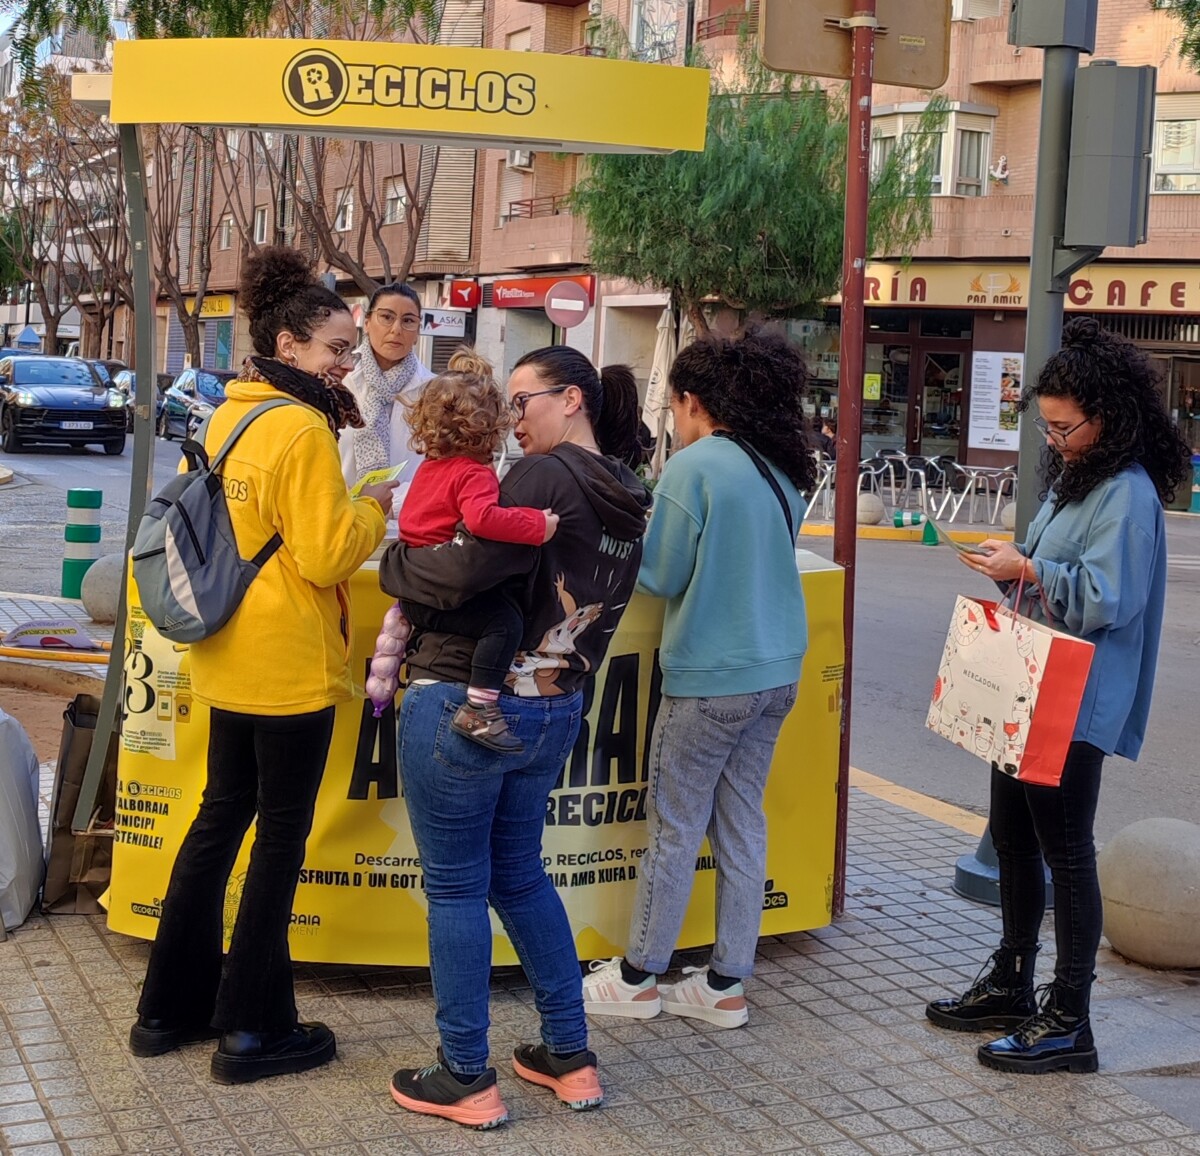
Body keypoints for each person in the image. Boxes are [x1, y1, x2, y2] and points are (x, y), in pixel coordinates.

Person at [128, 247, 397, 1084]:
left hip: (224, 654)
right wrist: (370, 508)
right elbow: (324, 556)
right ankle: (252, 1029)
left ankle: (167, 1010)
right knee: (279, 840)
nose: (347, 362)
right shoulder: (303, 430)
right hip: (287, 665)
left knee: (217, 822)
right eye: (335, 349)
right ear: (289, 344)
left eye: (351, 349)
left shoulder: (225, 413)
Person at [377, 345, 650, 1129]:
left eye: (523, 398)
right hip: (556, 706)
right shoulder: (629, 489)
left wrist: (397, 561)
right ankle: (569, 1055)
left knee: (457, 886)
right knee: (521, 875)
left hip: (468, 699)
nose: (511, 416)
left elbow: (459, 576)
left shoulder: (542, 478)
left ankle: (465, 1073)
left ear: (571, 401)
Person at [925, 317, 1191, 1075]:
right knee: (1011, 835)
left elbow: (1111, 599)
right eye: (1046, 426)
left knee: (1067, 852)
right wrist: (1012, 562)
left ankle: (1070, 1018)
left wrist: (1031, 570)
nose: (1056, 440)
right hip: (1028, 686)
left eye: (1066, 427)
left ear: (1107, 418)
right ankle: (1013, 979)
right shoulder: (1082, 479)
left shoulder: (1127, 493)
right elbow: (1045, 561)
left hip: (1075, 698)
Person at [581, 328, 814, 1029]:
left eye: (674, 409)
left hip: (711, 677)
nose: (672, 425)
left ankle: (638, 975)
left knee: (675, 827)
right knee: (742, 825)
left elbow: (660, 574)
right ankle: (723, 985)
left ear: (693, 402)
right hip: (777, 671)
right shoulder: (781, 467)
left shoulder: (698, 466)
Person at [389, 349, 560, 751]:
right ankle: (480, 708)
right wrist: (538, 525)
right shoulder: (475, 474)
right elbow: (482, 520)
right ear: (489, 429)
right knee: (504, 623)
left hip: (414, 597)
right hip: (448, 597)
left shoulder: (428, 470)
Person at [339, 281, 434, 502]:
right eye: (387, 317)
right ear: (368, 321)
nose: (396, 329)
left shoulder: (435, 391)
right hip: (342, 519)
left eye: (408, 320)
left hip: (408, 522)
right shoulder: (339, 379)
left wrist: (393, 503)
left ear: (418, 330)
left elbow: (440, 468)